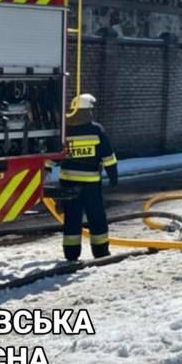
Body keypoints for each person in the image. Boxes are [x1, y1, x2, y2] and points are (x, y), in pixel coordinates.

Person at [51, 93, 118, 261]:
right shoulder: (96, 130)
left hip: (68, 185)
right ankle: (101, 252)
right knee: (96, 218)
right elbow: (108, 156)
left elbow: (53, 156)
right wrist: (113, 176)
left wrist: (42, 174)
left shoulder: (65, 132)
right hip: (91, 185)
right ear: (87, 111)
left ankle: (71, 255)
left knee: (72, 219)